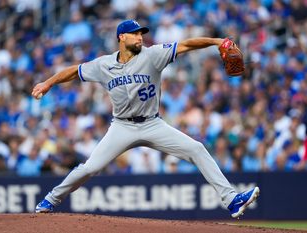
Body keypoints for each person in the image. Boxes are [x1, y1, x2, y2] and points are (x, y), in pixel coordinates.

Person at [32, 19, 260, 218]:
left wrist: (216, 41)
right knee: (90, 168)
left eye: (142, 33)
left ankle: (231, 199)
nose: (140, 37)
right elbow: (74, 70)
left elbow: (186, 44)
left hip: (152, 123)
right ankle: (50, 200)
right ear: (122, 37)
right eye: (135, 33)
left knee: (197, 148)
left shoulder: (152, 55)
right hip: (121, 126)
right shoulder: (104, 64)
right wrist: (48, 83)